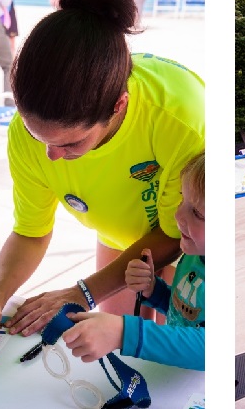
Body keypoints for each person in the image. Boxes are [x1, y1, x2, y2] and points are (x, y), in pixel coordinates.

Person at [0, 0, 205, 347]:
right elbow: (30, 230)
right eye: (36, 135)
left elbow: (174, 233)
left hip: (181, 240)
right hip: (115, 232)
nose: (51, 156)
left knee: (167, 343)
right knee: (113, 336)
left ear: (118, 107)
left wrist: (81, 291)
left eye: (70, 142)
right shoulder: (26, 135)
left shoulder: (180, 120)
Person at [61, 152, 205, 371]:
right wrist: (154, 291)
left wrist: (123, 332)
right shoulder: (193, 256)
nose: (178, 216)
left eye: (197, 213)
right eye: (181, 199)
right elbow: (186, 314)